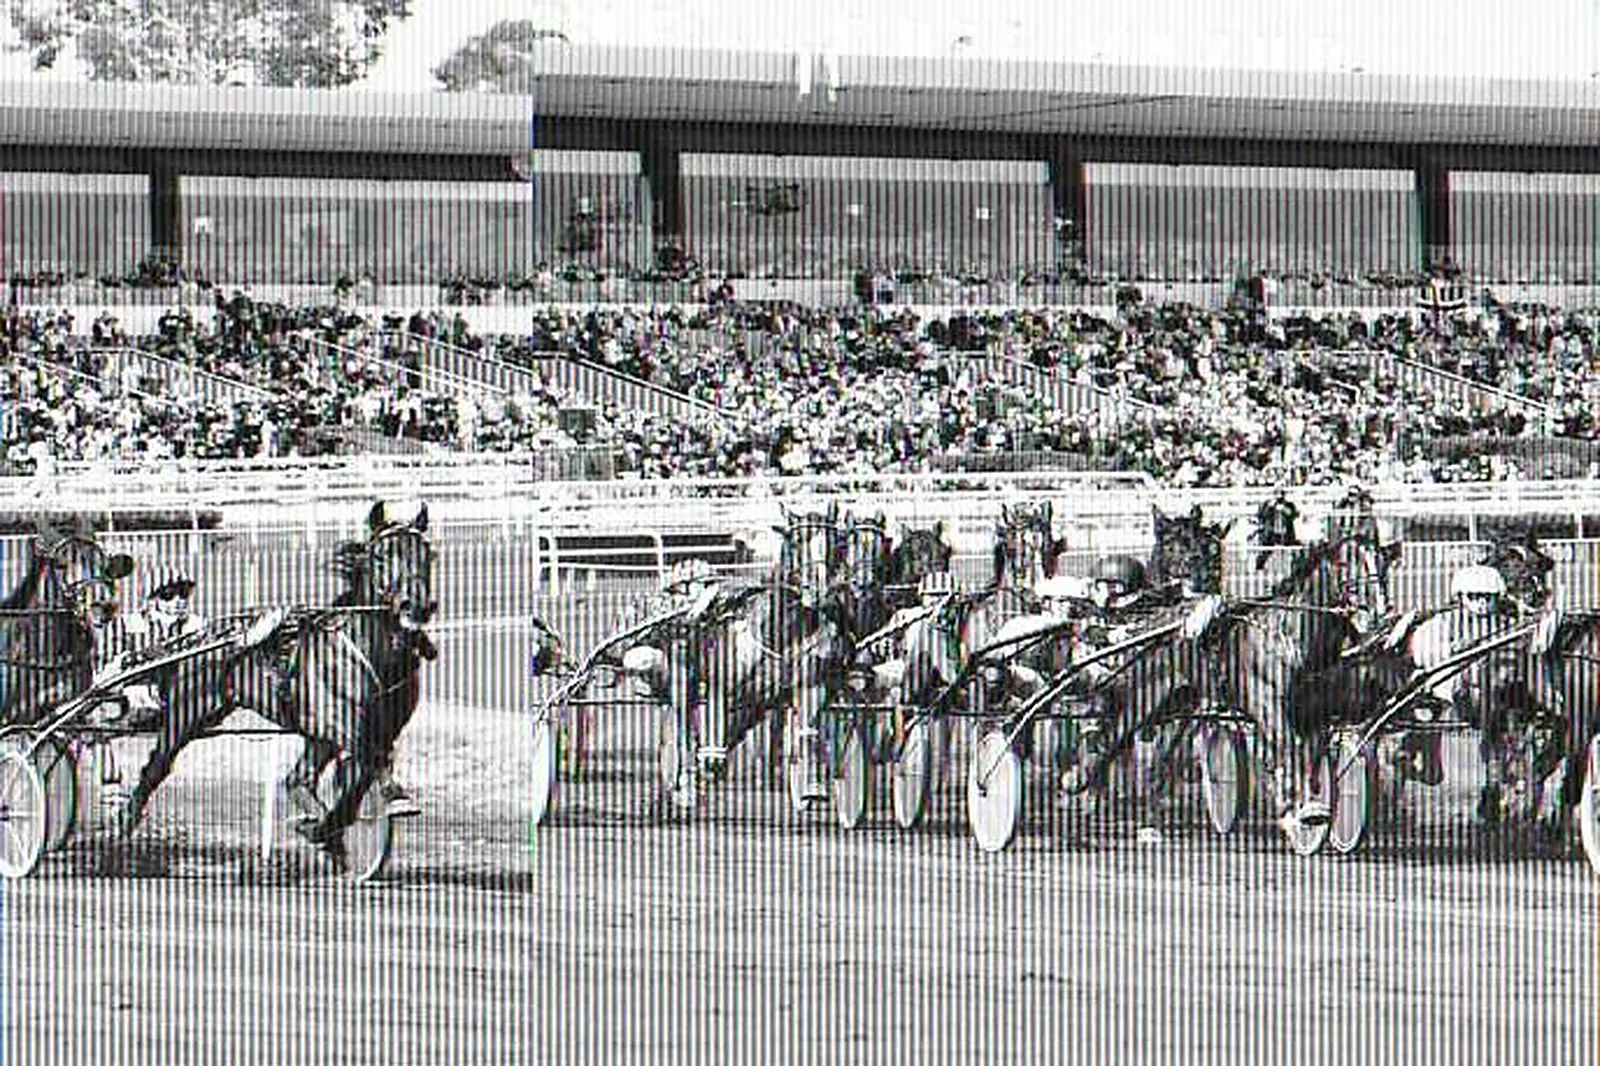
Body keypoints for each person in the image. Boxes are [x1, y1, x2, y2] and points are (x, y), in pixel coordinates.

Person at [1394, 563, 1512, 787]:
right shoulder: (1443, 622)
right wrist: (1453, 648)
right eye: (1475, 597)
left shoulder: (1506, 623)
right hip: (1449, 686)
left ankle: (1498, 770)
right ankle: (1409, 749)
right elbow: (1424, 652)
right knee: (1427, 706)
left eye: (1488, 598)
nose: (1481, 603)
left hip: (1492, 690)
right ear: (1460, 596)